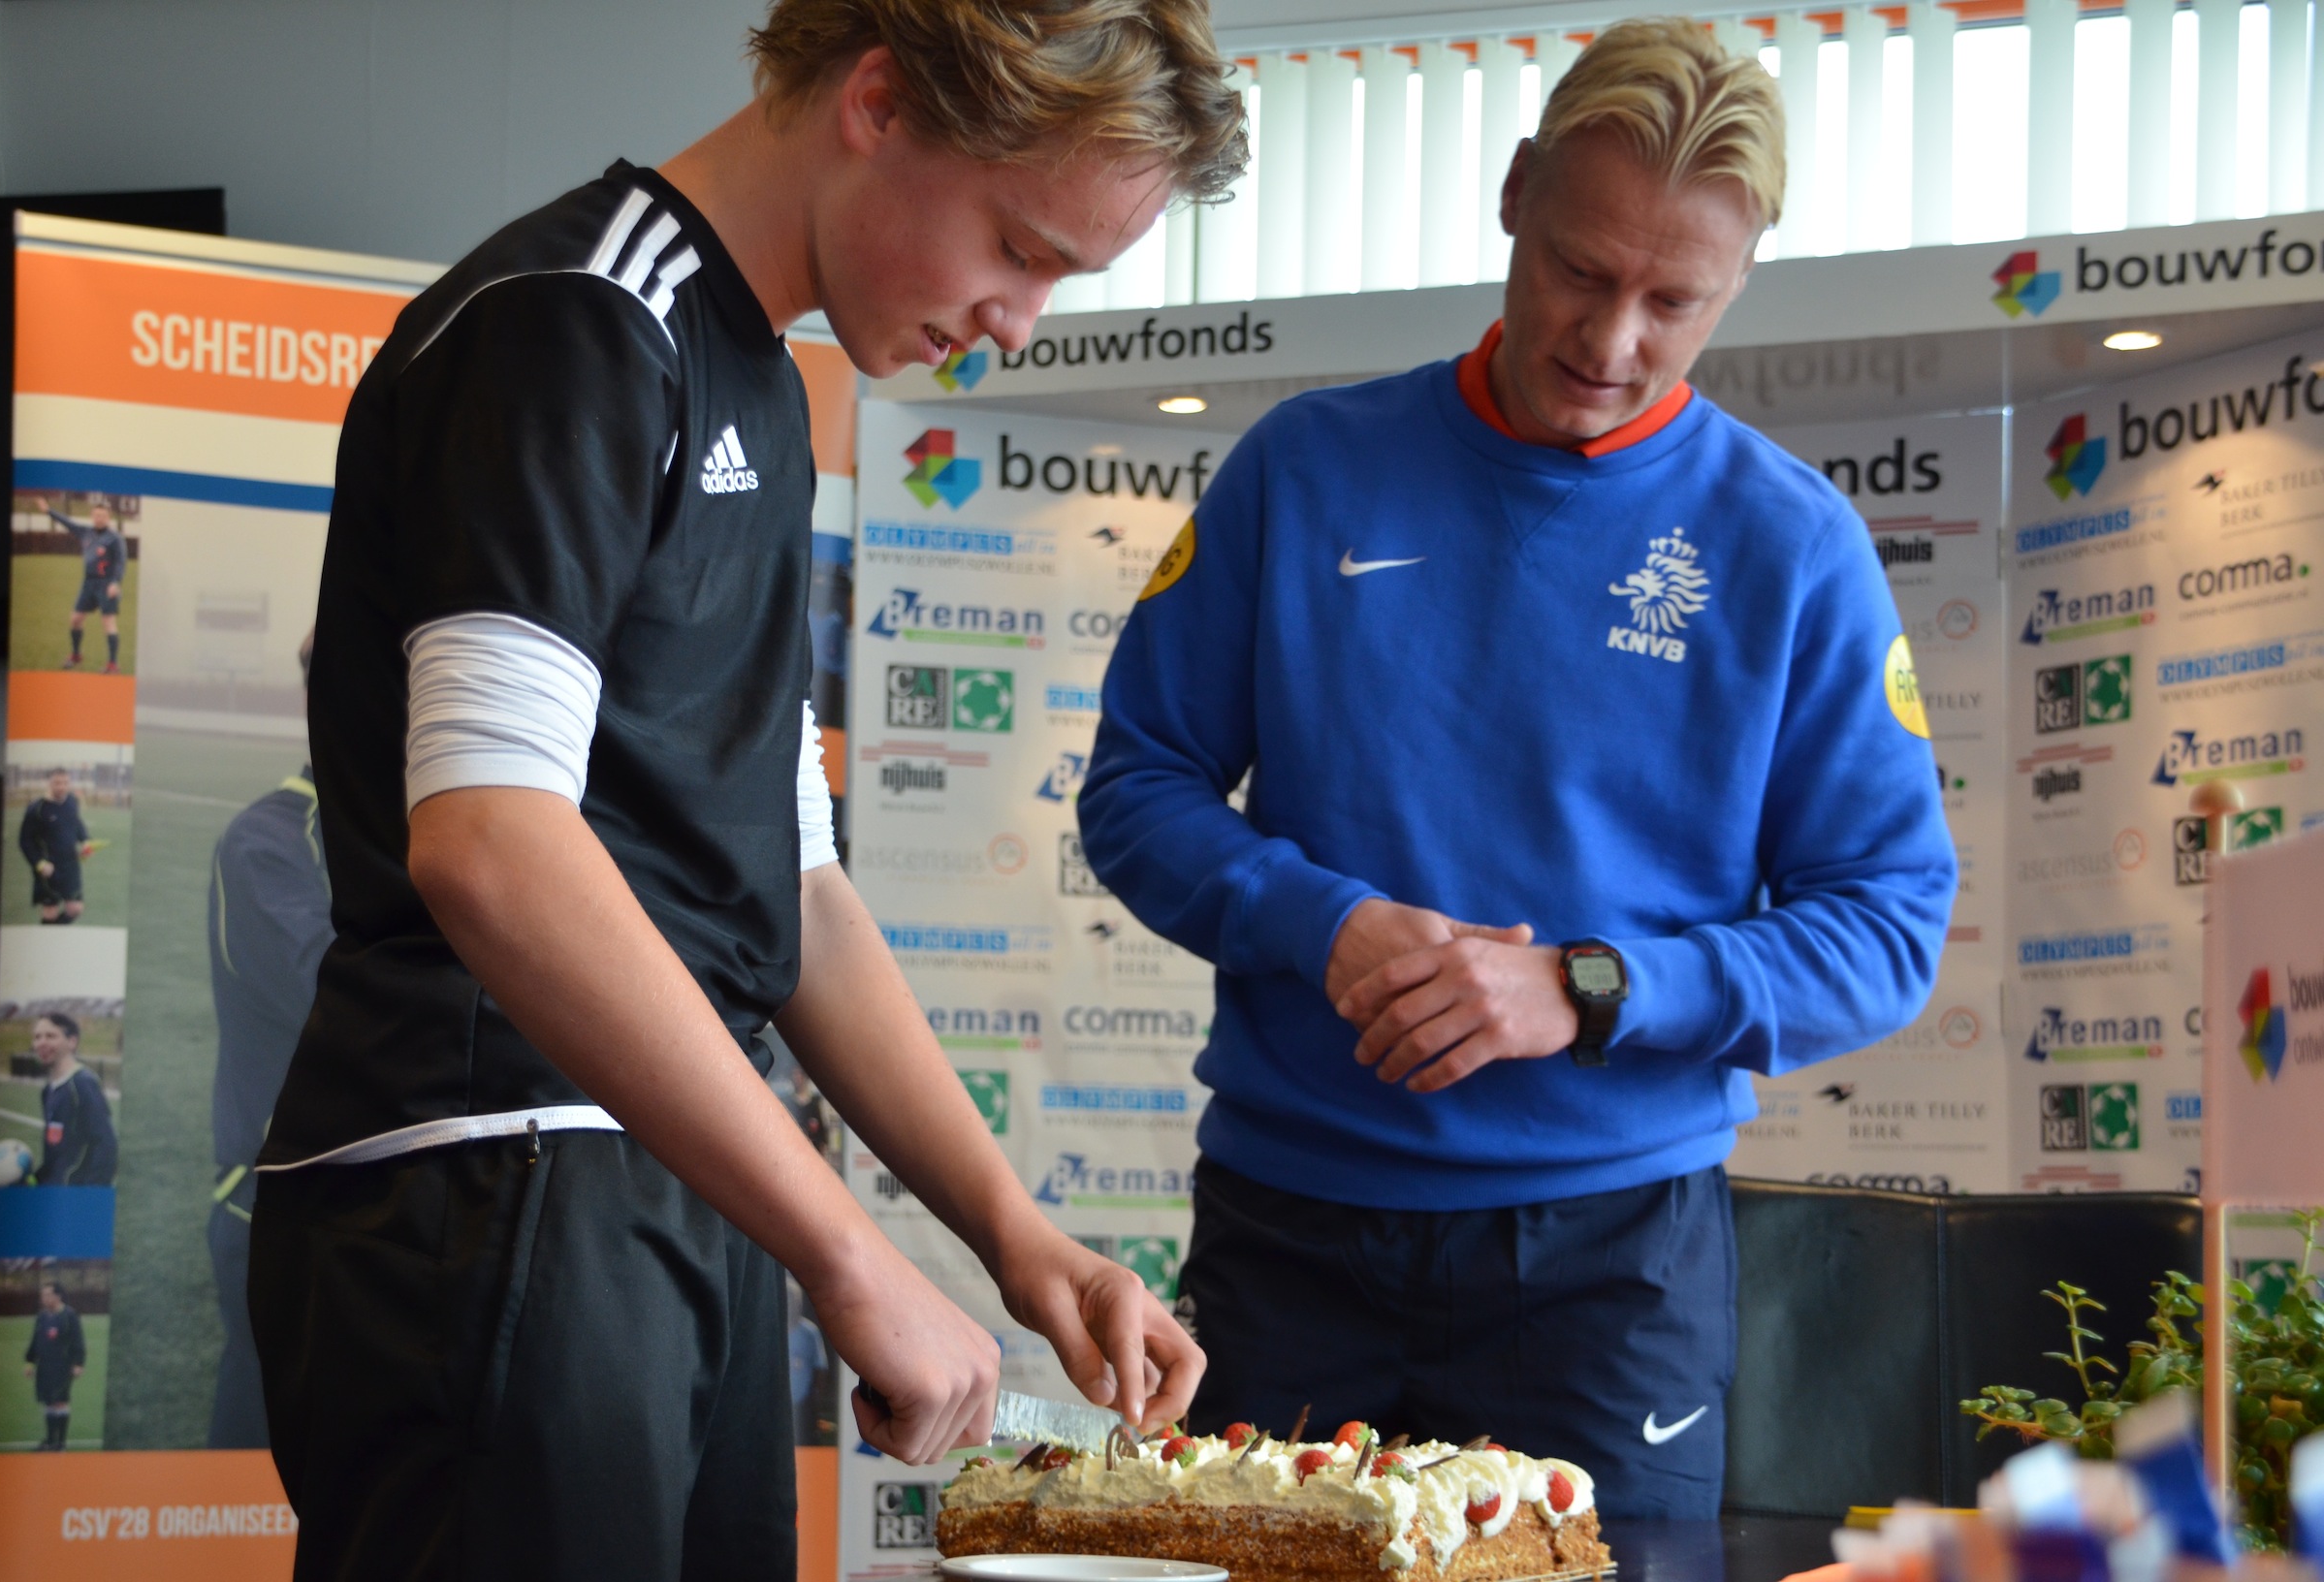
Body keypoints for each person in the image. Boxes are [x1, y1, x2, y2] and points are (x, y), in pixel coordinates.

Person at [246, 0, 1243, 1574]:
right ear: (877, 102)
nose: (1019, 323)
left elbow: (794, 888)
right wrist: (847, 1255)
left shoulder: (761, 387)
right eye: (1018, 247)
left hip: (677, 1177)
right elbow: (492, 839)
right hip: (499, 1174)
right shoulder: (577, 323)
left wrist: (1011, 1234)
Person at [1078, 18, 1958, 1519]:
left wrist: (1590, 988)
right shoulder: (1306, 467)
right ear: (1513, 194)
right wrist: (1323, 924)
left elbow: (1887, 929)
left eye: (1673, 302)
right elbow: (1137, 789)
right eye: (1579, 271)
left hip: (1612, 1271)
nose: (1610, 344)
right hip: (1291, 1235)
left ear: (1742, 278)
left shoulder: (1795, 546)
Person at [205, 631, 334, 1449]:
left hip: (384, 1207)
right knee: (261, 1445)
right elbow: (336, 997)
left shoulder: (412, 836)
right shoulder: (267, 844)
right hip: (277, 1206)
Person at [30, 1011, 117, 1186]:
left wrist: (87, 1193)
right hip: (54, 1191)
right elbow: (54, 1154)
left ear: (72, 1042)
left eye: (50, 1036)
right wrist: (35, 1179)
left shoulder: (82, 1083)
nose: (41, 1043)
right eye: (37, 1037)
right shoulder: (48, 1090)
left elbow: (106, 1146)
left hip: (75, 1192)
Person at [48, 498, 127, 674]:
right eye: (96, 515)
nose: (99, 518)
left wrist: (115, 582)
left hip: (107, 584)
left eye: (103, 516)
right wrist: (49, 510)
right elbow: (67, 523)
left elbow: (120, 563)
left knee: (108, 622)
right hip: (88, 583)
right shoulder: (86, 532)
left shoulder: (115, 538)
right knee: (76, 619)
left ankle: (113, 664)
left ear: (108, 517)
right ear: (92, 516)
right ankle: (76, 655)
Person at [18, 769, 91, 925]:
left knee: (75, 908)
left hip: (71, 865)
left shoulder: (72, 801)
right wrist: (39, 863)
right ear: (48, 783)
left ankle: (53, 934)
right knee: (50, 913)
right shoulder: (36, 809)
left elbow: (76, 823)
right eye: (57, 783)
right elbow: (25, 841)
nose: (62, 787)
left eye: (65, 783)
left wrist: (85, 840)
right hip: (49, 867)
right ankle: (50, 936)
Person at [24, 1280, 87, 1450]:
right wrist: (30, 1362)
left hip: (62, 1366)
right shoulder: (42, 1316)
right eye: (43, 1295)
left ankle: (61, 1443)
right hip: (44, 1366)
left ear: (57, 1296)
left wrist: (78, 1363)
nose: (44, 1298)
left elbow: (78, 1340)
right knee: (48, 1401)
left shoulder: (69, 1315)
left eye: (47, 1295)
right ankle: (51, 1440)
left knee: (59, 1401)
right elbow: (35, 1341)